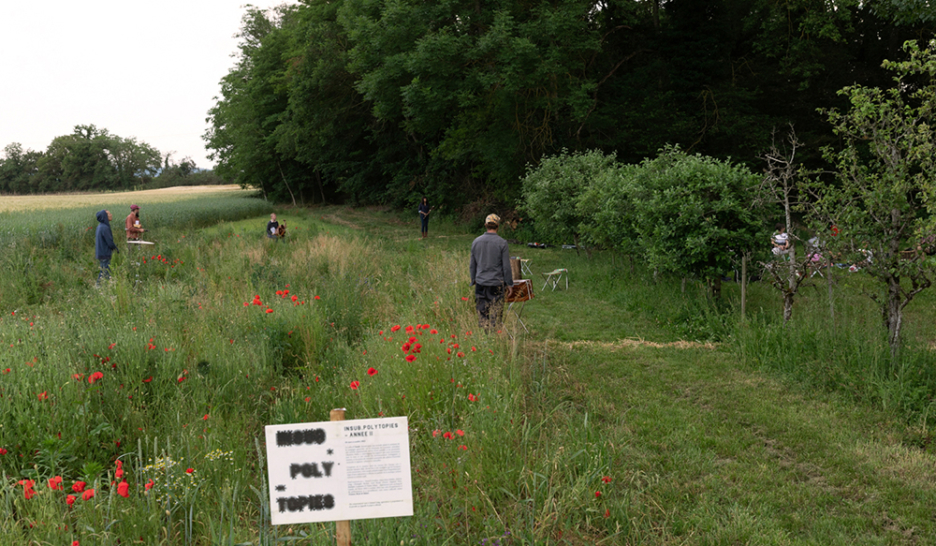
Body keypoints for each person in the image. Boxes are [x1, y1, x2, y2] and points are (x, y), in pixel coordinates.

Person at [469, 213, 514, 329]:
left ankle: (484, 339)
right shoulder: (502, 243)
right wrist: (509, 284)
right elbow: (506, 266)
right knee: (496, 314)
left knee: (482, 313)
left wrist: (473, 279)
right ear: (497, 226)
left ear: (485, 225)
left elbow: (472, 264)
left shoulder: (476, 242)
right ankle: (495, 338)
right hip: (496, 284)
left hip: (481, 283)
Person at [95, 210, 118, 283]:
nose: (111, 215)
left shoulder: (99, 226)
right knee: (106, 272)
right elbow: (109, 242)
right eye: (109, 214)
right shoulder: (105, 228)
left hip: (100, 253)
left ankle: (100, 287)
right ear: (105, 217)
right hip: (105, 253)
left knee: (103, 271)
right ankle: (100, 287)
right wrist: (115, 249)